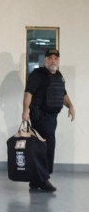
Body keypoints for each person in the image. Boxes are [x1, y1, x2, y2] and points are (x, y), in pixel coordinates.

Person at [22, 48, 75, 193]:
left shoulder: (59, 75)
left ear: (58, 60)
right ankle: (44, 179)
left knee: (40, 147)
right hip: (40, 116)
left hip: (52, 117)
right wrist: (25, 109)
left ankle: (35, 180)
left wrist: (70, 105)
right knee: (48, 146)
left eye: (56, 58)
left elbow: (62, 93)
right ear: (45, 60)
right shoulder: (37, 75)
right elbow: (28, 93)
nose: (53, 60)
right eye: (50, 58)